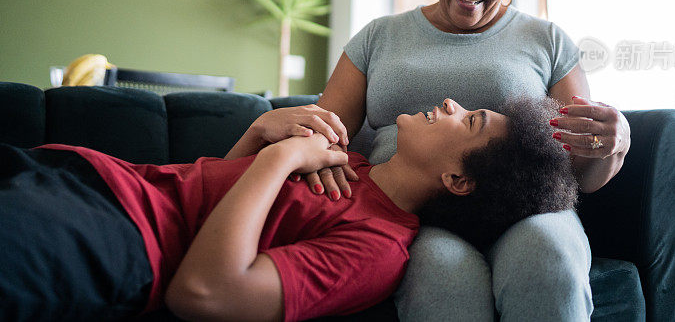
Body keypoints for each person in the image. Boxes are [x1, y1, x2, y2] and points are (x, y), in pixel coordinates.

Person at [304, 0, 633, 321]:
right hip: (417, 212)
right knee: (443, 275)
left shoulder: (548, 41)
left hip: (526, 213)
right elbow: (322, 135)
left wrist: (612, 144)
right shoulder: (379, 37)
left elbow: (585, 176)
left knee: (547, 255)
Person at [0, 97, 575, 322]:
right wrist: (256, 139)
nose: (452, 102)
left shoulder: (378, 251)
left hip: (114, 237)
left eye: (468, 120)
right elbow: (213, 207)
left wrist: (280, 158)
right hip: (83, 176)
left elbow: (204, 291)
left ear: (457, 179)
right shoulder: (346, 163)